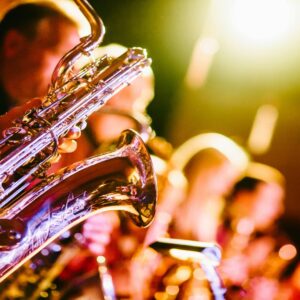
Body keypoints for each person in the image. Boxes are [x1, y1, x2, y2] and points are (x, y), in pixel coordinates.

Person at [217, 162, 297, 300]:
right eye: (270, 201)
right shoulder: (215, 234)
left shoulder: (262, 243)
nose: (279, 210)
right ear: (242, 197)